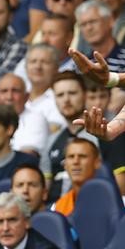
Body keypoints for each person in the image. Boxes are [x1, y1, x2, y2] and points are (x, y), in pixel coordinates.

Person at [41, 72, 100, 203]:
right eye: (60, 95)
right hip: (55, 211)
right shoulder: (51, 141)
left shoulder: (101, 134)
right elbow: (44, 187)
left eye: (72, 93)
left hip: (92, 205)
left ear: (85, 95)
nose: (66, 100)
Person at [52, 138, 102, 216]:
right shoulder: (57, 207)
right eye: (71, 157)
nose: (76, 162)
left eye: (82, 156)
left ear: (97, 163)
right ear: (65, 165)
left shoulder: (118, 204)